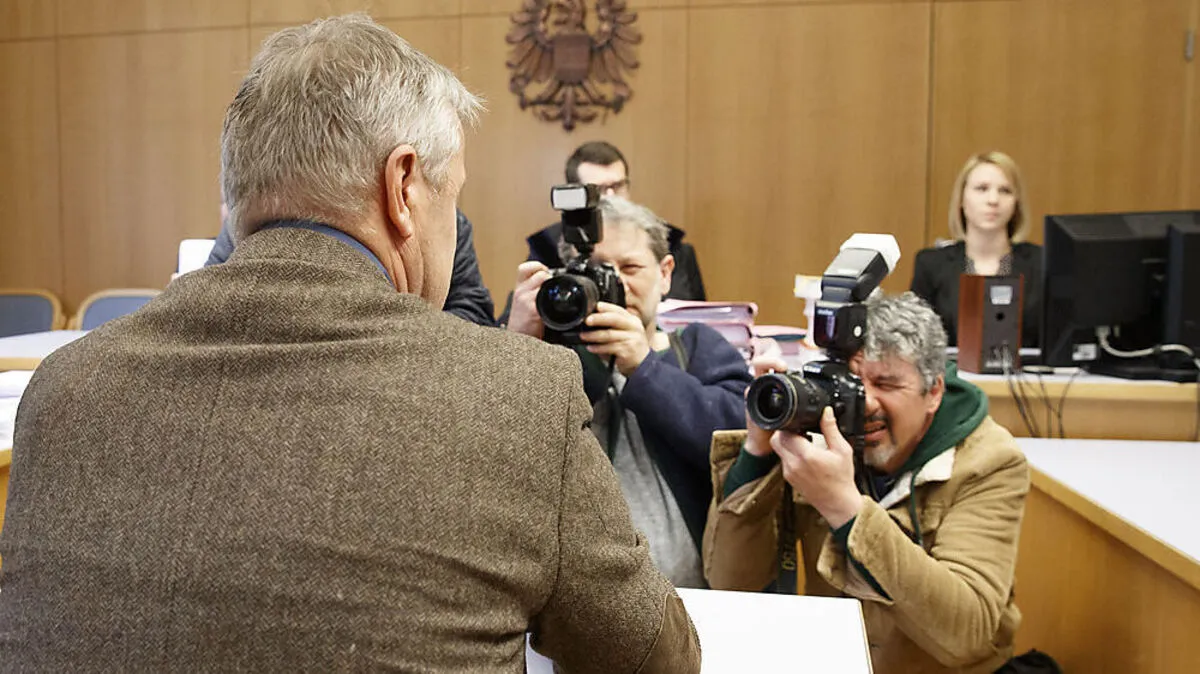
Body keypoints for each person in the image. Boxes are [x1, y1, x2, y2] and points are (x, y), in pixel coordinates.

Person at [0, 15, 700, 672]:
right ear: (402, 187)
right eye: (452, 195)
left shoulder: (64, 387)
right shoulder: (517, 396)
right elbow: (653, 657)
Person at [704, 292, 1029, 674]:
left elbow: (966, 634)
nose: (866, 403)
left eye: (886, 384)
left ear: (933, 392)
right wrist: (757, 453)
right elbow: (730, 582)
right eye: (852, 384)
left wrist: (844, 508)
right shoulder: (818, 444)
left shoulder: (989, 461)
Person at [507, 195, 751, 588]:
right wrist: (517, 342)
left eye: (630, 267)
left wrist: (644, 367)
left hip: (689, 598)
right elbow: (498, 449)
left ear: (665, 273)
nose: (614, 284)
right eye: (598, 270)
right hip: (569, 597)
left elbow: (740, 441)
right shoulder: (550, 354)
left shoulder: (696, 347)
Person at [206, 205, 496, 327]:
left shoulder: (445, 224)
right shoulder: (248, 220)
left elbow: (474, 310)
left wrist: (397, 343)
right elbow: (210, 302)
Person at [524, 141, 706, 302]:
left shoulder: (669, 244)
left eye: (617, 186)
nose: (611, 196)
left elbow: (690, 317)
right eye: (598, 189)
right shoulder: (547, 248)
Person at [910, 151, 1042, 348]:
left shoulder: (1041, 263)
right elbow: (916, 344)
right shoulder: (931, 265)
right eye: (982, 189)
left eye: (1005, 191)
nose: (993, 200)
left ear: (1016, 203)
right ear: (962, 200)